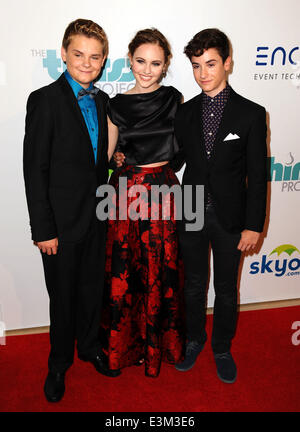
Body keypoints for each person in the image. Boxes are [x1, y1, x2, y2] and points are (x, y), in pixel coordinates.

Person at [23, 19, 119, 403]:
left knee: (92, 290)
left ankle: (89, 347)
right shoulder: (44, 100)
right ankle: (59, 364)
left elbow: (98, 158)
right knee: (62, 298)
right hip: (59, 227)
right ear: (63, 54)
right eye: (78, 54)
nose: (86, 63)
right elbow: (35, 169)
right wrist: (43, 229)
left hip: (98, 217)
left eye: (95, 57)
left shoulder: (102, 100)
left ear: (103, 61)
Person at [174, 28, 267, 383]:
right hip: (193, 208)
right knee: (194, 285)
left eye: (211, 64)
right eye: (197, 66)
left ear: (227, 63)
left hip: (232, 217)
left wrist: (253, 225)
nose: (203, 74)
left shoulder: (251, 114)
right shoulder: (185, 112)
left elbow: (258, 176)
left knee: (227, 289)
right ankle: (195, 339)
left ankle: (222, 347)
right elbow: (177, 158)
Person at [101, 28, 185, 378]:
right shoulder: (115, 105)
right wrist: (115, 161)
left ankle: (160, 347)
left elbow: (182, 149)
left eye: (155, 63)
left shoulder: (174, 98)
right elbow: (106, 155)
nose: (146, 70)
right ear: (128, 60)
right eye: (140, 61)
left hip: (164, 192)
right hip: (125, 192)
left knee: (162, 271)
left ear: (165, 66)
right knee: (126, 270)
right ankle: (125, 348)